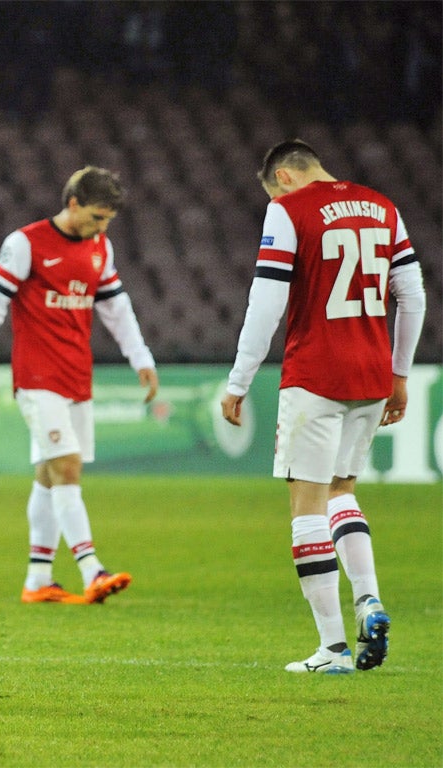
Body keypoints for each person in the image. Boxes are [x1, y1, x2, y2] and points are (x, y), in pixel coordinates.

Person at [220, 140, 425, 674]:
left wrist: (239, 380)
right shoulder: (383, 205)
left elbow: (265, 300)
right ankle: (369, 599)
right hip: (372, 375)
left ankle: (333, 649)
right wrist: (398, 373)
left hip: (315, 375)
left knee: (306, 508)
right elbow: (413, 295)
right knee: (343, 490)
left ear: (283, 177)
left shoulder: (287, 209)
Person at [0, 166, 158, 605]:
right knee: (67, 466)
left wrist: (141, 358)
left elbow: (116, 308)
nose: (102, 228)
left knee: (49, 476)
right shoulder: (25, 244)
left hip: (77, 375)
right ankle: (92, 568)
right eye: (96, 217)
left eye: (108, 220)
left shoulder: (100, 247)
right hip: (37, 377)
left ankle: (38, 578)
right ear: (72, 204)